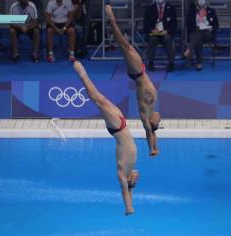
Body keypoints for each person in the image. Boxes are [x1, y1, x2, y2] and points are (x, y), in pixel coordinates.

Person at [73, 60, 139, 216]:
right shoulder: (131, 169)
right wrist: (132, 199)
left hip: (117, 128)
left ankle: (81, 72)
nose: (138, 178)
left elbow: (125, 191)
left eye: (134, 181)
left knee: (97, 100)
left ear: (128, 180)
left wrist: (128, 208)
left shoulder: (122, 174)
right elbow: (132, 186)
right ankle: (81, 71)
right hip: (122, 124)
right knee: (100, 98)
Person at [105, 4, 161, 157]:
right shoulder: (153, 109)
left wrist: (152, 149)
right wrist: (156, 147)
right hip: (140, 72)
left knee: (124, 45)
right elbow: (153, 134)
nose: (159, 119)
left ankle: (112, 20)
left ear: (152, 123)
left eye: (158, 122)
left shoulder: (145, 115)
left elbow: (149, 133)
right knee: (125, 46)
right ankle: (113, 22)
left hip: (137, 73)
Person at [184, 0, 219, 71]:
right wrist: (196, 28)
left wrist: (211, 28)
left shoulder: (211, 11)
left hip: (207, 34)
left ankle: (189, 50)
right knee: (198, 39)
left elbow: (216, 25)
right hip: (195, 32)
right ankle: (199, 63)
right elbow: (188, 24)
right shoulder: (192, 11)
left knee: (197, 36)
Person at [144, 0, 176, 72]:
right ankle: (151, 62)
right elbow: (146, 25)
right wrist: (152, 30)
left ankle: (171, 63)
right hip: (154, 33)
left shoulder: (171, 9)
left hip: (166, 33)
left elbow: (174, 25)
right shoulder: (149, 9)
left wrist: (167, 31)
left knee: (167, 38)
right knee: (152, 39)